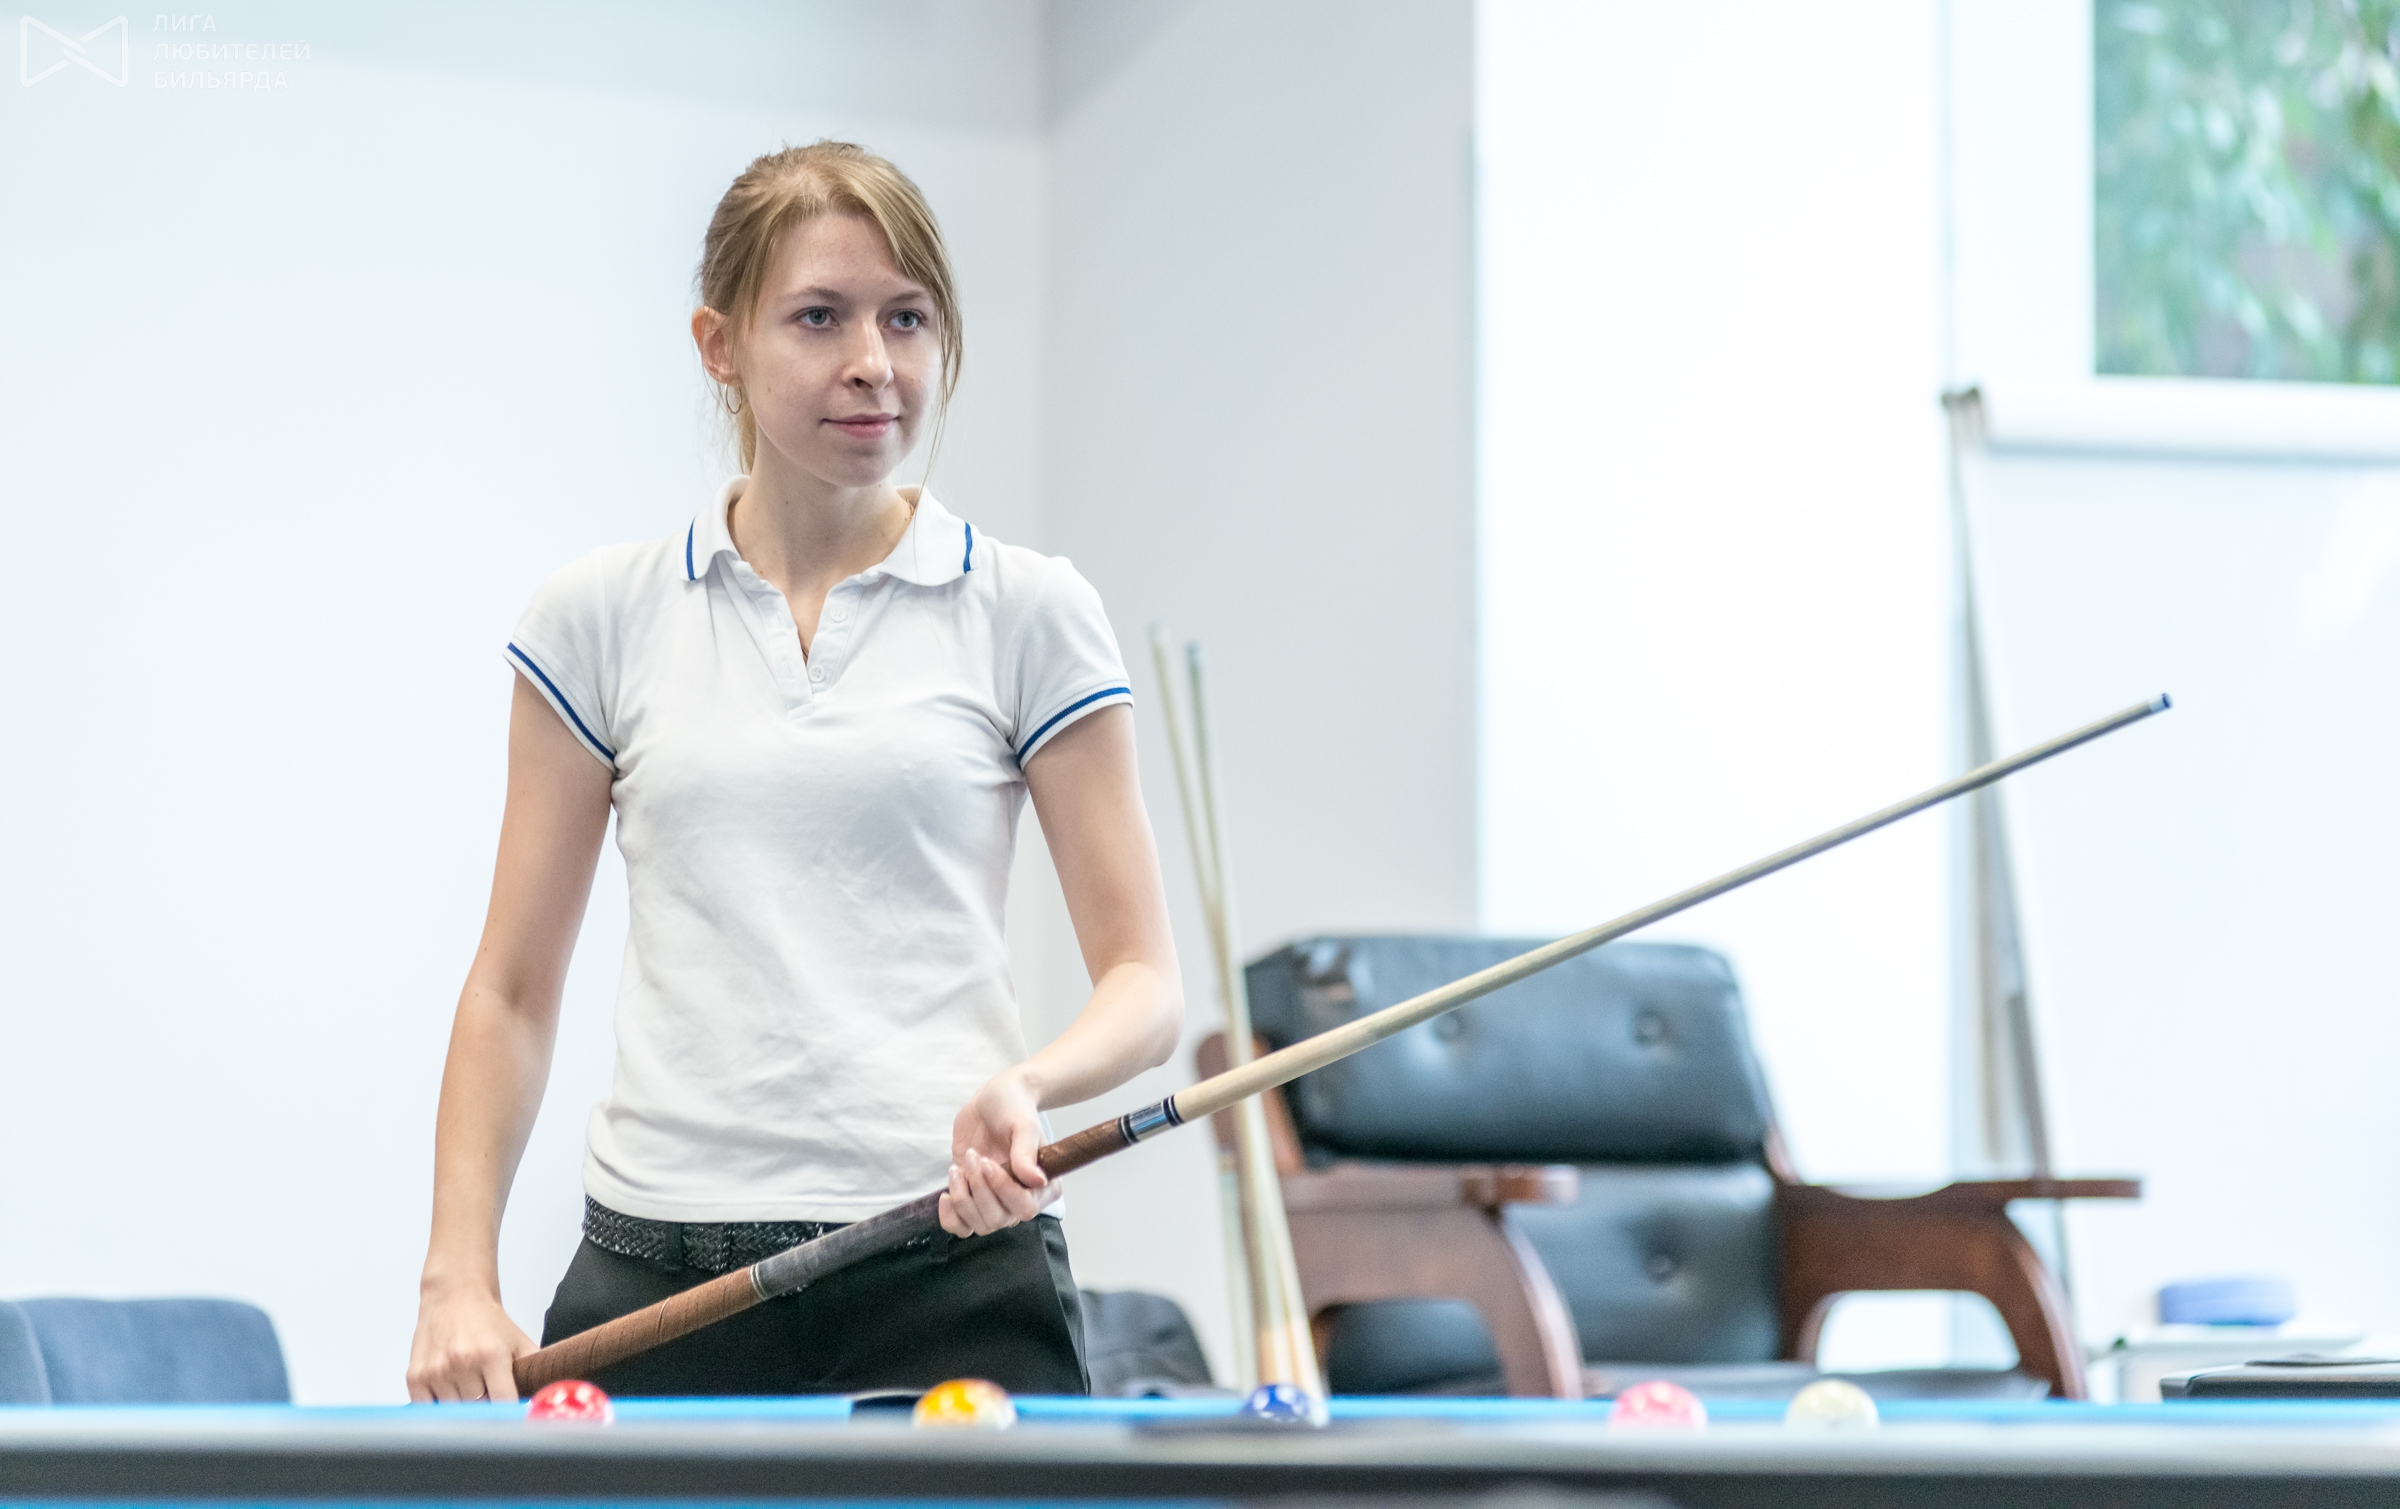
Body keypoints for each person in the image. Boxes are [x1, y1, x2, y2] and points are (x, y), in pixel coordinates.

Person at [404, 141, 1183, 1403]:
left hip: (953, 1260)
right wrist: (455, 1275)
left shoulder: (1029, 608)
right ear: (719, 344)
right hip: (662, 1283)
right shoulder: (598, 616)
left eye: (907, 317)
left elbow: (1145, 981)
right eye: (820, 317)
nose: (874, 361)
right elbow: (509, 990)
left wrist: (1032, 1083)